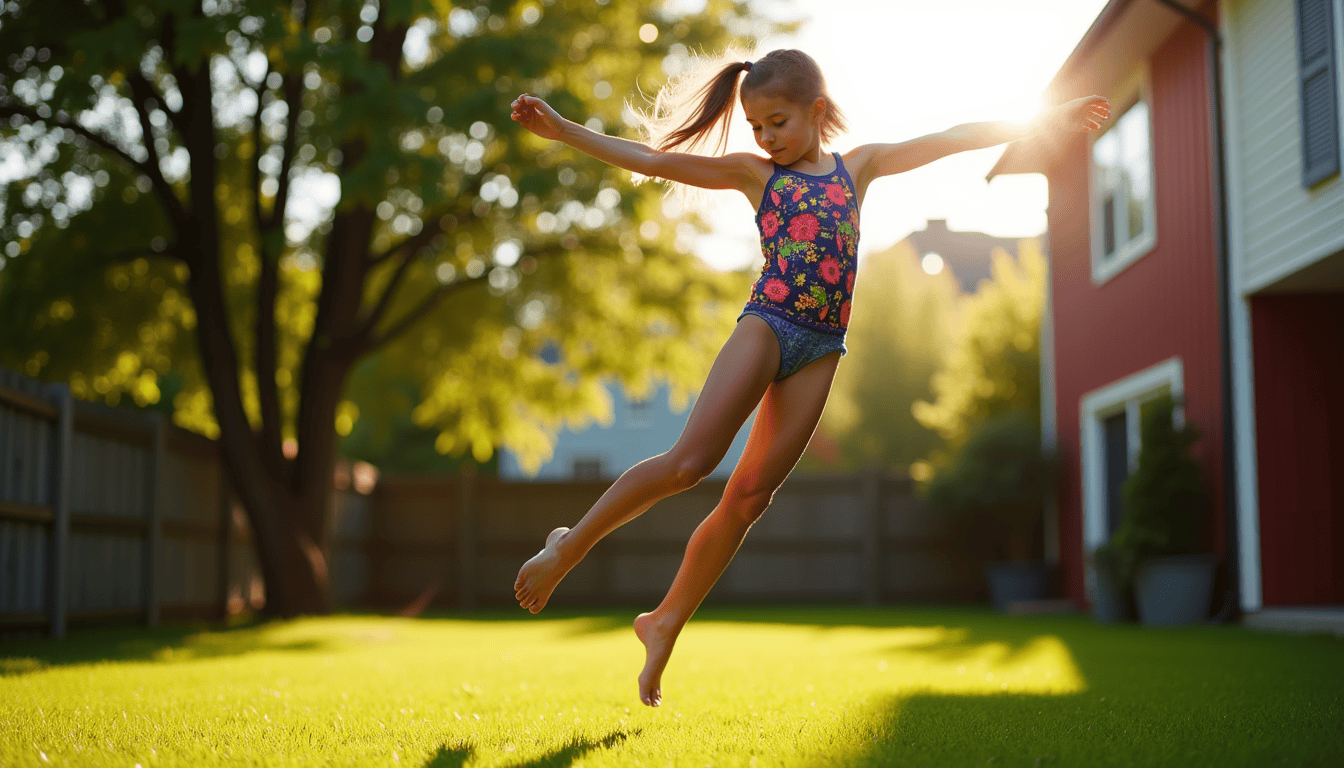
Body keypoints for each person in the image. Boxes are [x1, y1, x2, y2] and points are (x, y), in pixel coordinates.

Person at [510, 49, 1109, 707]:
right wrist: (564, 130)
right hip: (767, 325)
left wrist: (1049, 118)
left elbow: (949, 140)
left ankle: (664, 621)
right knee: (688, 464)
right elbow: (654, 161)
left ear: (816, 111)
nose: (766, 138)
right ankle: (566, 549)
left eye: (778, 123)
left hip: (822, 347)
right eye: (758, 127)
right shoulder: (755, 174)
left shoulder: (861, 168)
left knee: (747, 499)